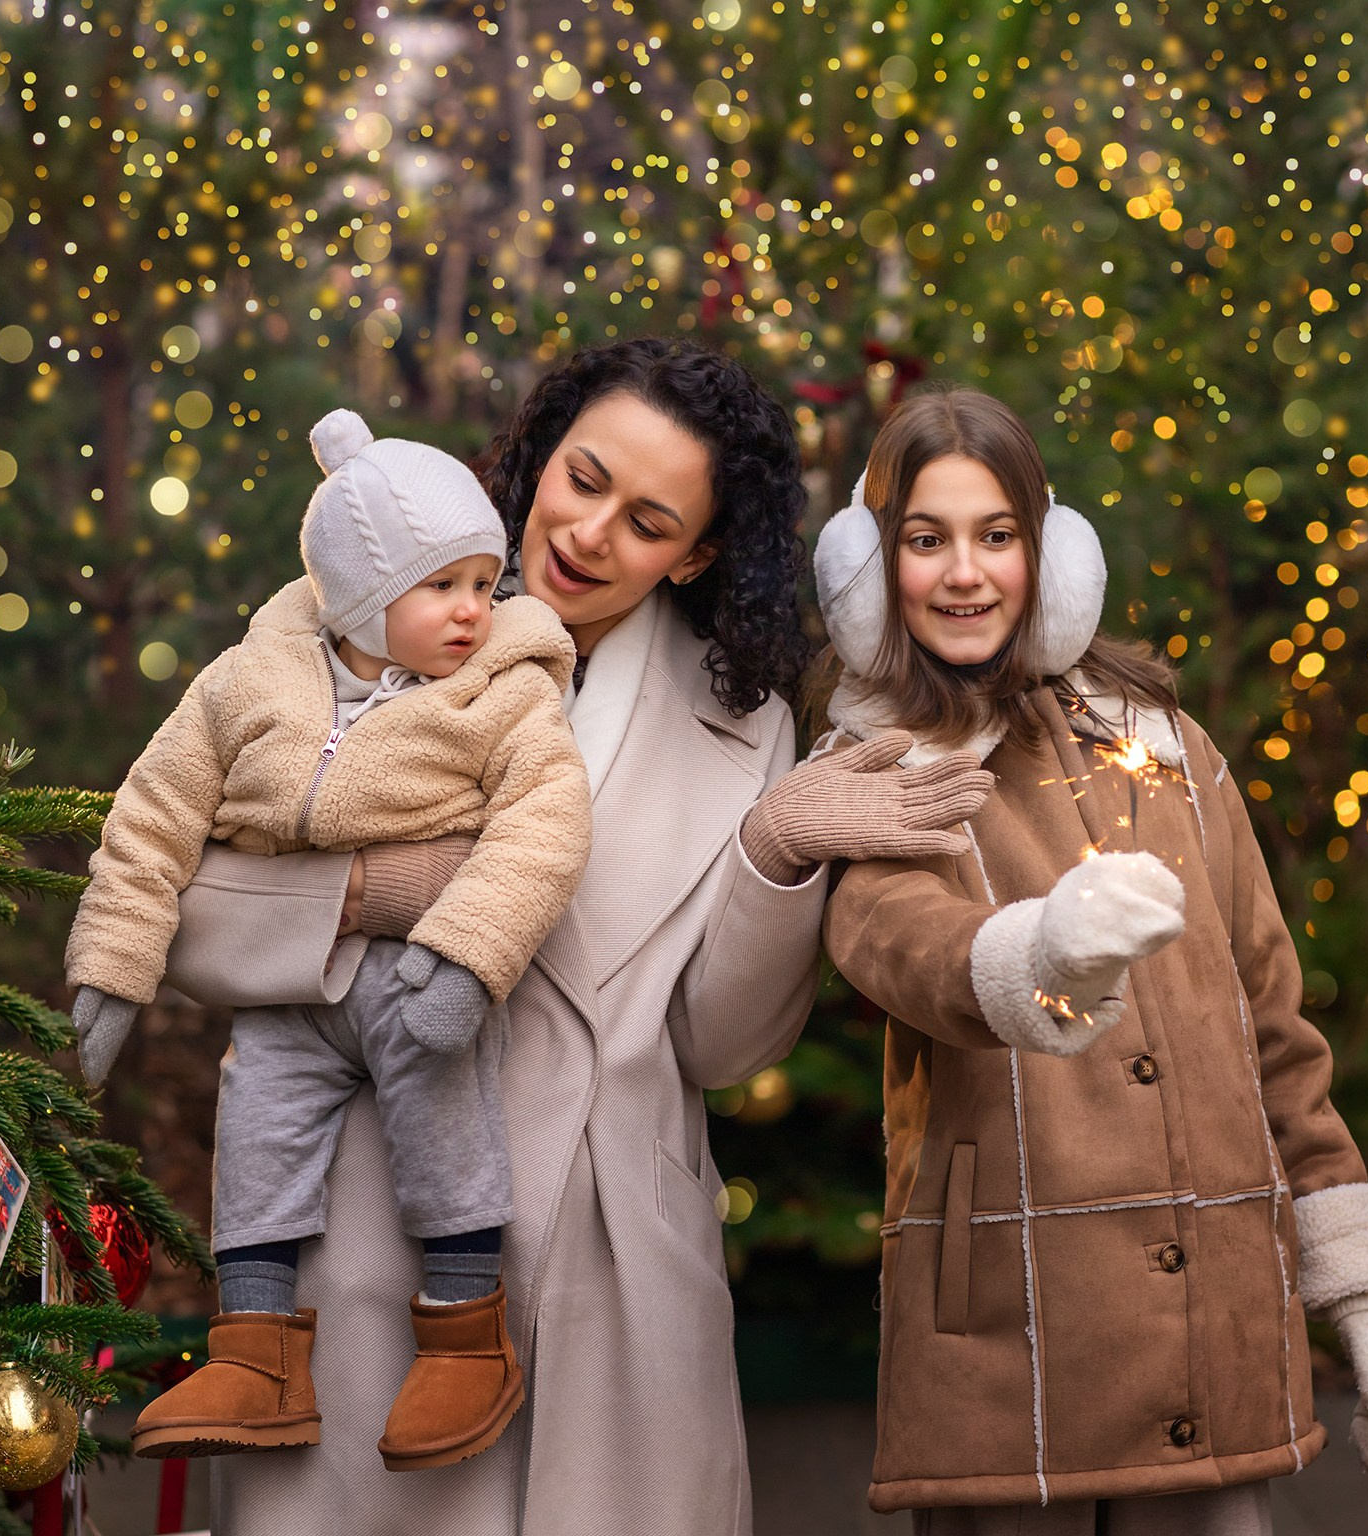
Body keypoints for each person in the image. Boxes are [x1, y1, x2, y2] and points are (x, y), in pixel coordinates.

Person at [106, 337, 992, 1534]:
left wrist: (769, 852)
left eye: (647, 520)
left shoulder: (746, 727)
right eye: (582, 480)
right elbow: (187, 909)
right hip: (375, 1237)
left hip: (612, 1275)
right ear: (534, 460)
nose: (587, 534)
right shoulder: (343, 636)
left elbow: (720, 1047)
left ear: (698, 553)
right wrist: (376, 888)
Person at [813, 386, 1368, 1534]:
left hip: (1212, 1314)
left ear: (1049, 555)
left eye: (995, 536)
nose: (963, 574)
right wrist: (1034, 954)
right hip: (1012, 1332)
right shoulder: (872, 763)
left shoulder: (1165, 746)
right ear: (866, 570)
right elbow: (891, 940)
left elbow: (1269, 1022)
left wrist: (1358, 1270)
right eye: (923, 540)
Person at [65, 410, 592, 1471]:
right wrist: (113, 970)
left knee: (445, 1123)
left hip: (416, 969)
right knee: (255, 1129)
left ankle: (463, 1335)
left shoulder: (504, 691)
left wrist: (466, 955)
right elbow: (152, 815)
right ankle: (255, 1354)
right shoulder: (243, 684)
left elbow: (545, 822)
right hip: (285, 990)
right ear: (358, 593)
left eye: (484, 585)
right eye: (440, 586)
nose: (470, 613)